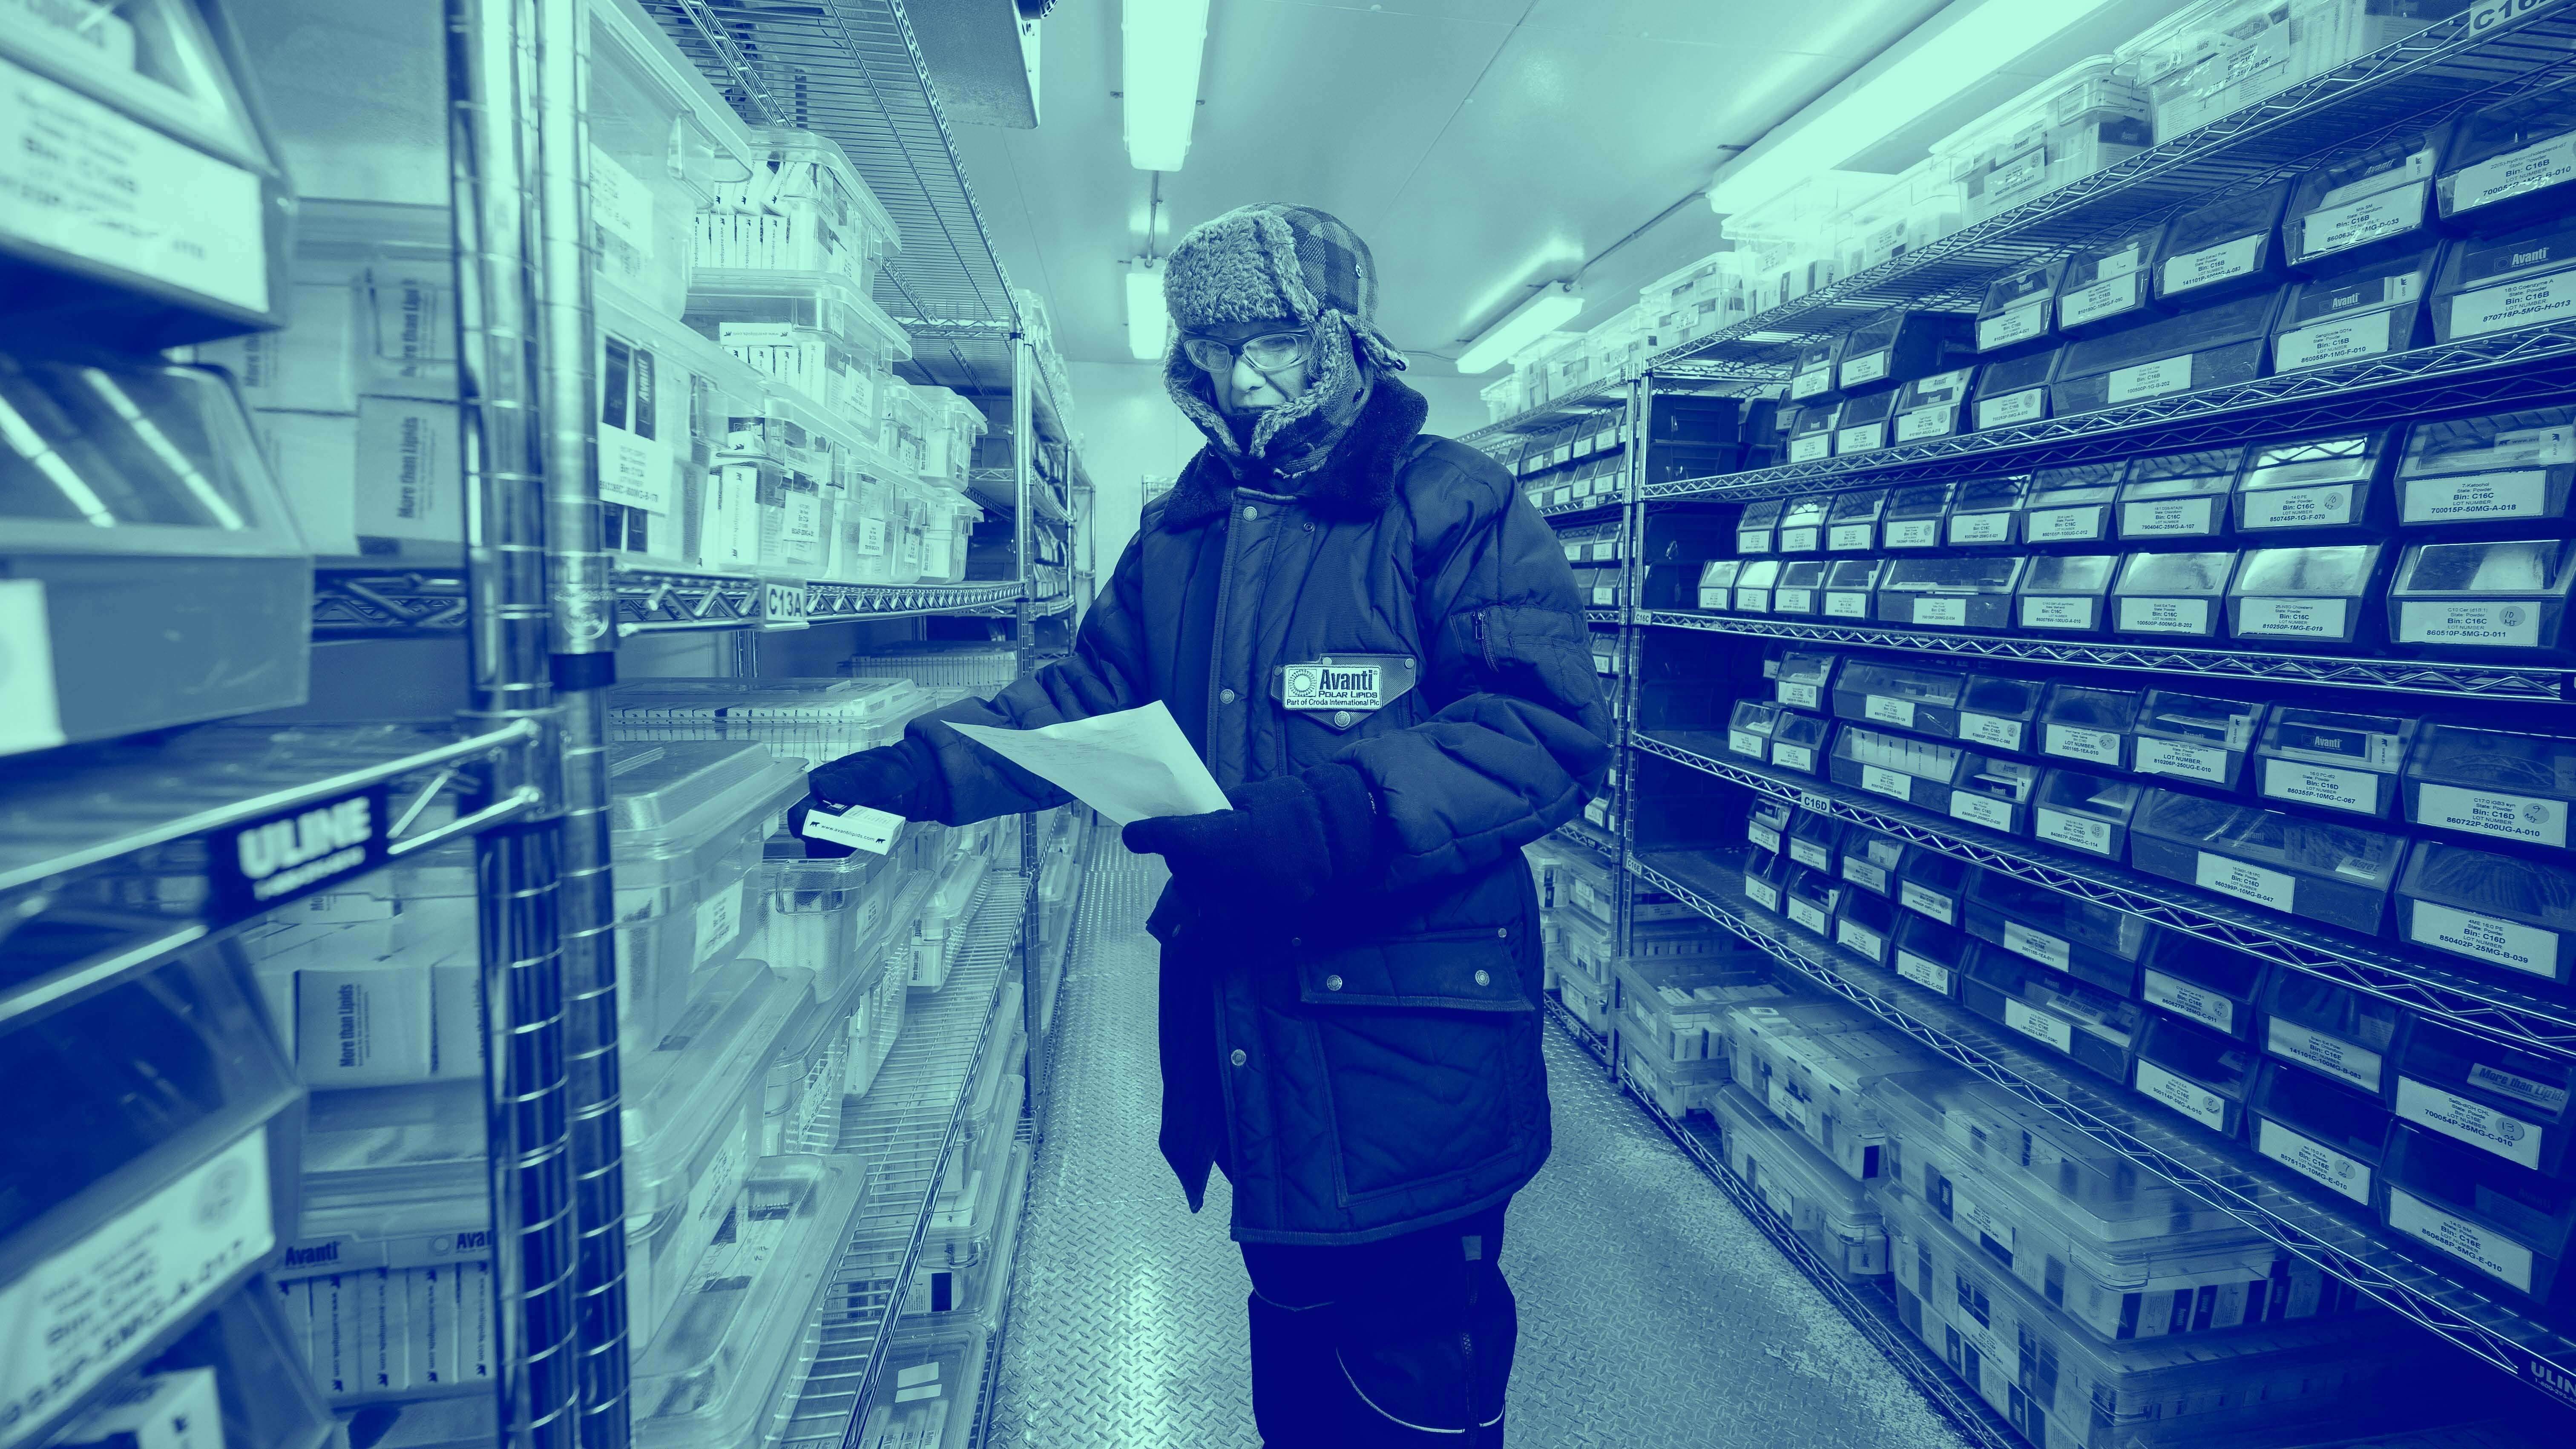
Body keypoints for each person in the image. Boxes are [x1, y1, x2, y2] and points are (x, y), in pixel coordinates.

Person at [799, 203, 1610, 1446]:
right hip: (1254, 1034)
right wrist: (924, 769)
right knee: (1295, 1359)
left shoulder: (1454, 505)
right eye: (1213, 345)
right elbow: (1084, 698)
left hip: (1412, 1055)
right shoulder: (1183, 533)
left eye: (1270, 337)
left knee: (1413, 1379)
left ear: (1341, 337)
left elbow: (1545, 727)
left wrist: (1343, 813)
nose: (1239, 373)